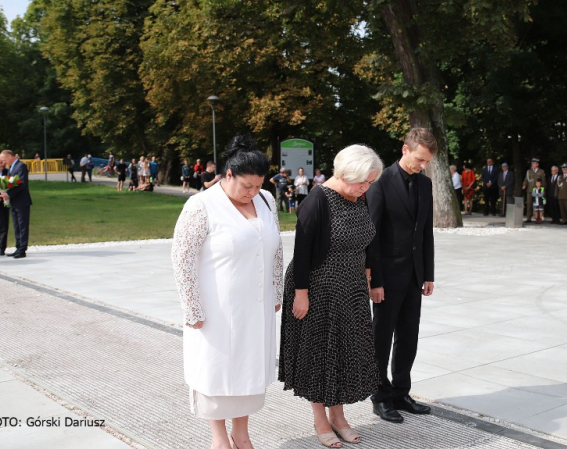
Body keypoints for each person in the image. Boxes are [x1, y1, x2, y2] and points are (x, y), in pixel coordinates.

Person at [171, 135, 281, 449]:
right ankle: (219, 437)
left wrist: (276, 291)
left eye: (258, 185)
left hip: (255, 305)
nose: (253, 192)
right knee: (217, 371)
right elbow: (182, 257)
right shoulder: (202, 205)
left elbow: (275, 248)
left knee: (249, 369)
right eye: (246, 186)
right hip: (216, 307)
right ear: (227, 175)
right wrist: (192, 307)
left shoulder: (267, 200)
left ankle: (242, 432)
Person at [279, 144, 383, 448]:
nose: (366, 188)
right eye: (363, 182)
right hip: (316, 288)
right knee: (318, 357)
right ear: (346, 173)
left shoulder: (357, 198)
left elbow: (366, 241)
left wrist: (367, 277)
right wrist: (301, 294)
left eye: (370, 183)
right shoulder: (317, 201)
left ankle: (338, 417)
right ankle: (320, 419)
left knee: (343, 355)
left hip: (349, 290)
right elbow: (302, 252)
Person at [367, 128, 436, 424]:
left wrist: (428, 273)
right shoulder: (381, 182)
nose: (422, 166)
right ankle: (380, 396)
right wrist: (376, 281)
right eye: (419, 159)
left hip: (414, 275)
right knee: (381, 338)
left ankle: (401, 391)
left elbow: (426, 232)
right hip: (387, 275)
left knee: (409, 336)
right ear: (405, 149)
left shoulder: (425, 184)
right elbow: (373, 235)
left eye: (427, 162)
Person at [0, 150, 32, 259]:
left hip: (21, 201)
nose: (3, 162)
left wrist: (8, 193)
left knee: (22, 225)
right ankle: (18, 247)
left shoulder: (21, 166)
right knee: (16, 225)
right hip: (14, 201)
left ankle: (22, 249)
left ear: (10, 157)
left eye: (4, 160)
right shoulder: (11, 168)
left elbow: (21, 183)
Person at [522, 158, 546, 222]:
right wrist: (524, 184)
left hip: (538, 190)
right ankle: (528, 218)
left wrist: (543, 190)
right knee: (529, 204)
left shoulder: (541, 171)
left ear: (537, 164)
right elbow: (526, 179)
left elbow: (543, 181)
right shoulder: (529, 171)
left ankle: (539, 218)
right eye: (532, 163)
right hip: (530, 190)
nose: (532, 164)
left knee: (539, 204)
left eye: (534, 163)